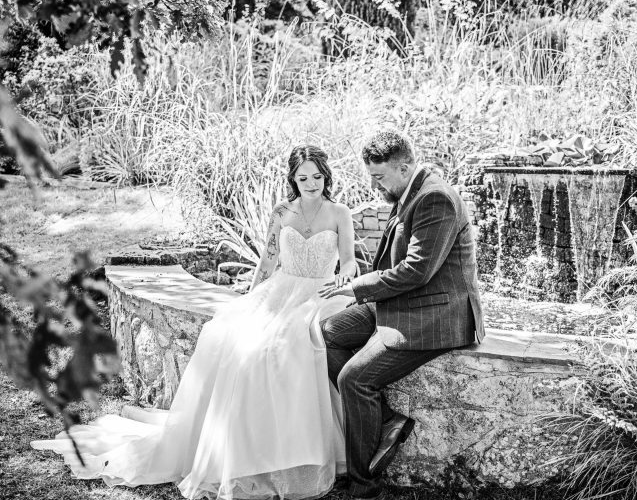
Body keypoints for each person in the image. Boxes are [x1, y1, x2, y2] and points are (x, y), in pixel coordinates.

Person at [32, 145, 358, 500]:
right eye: (303, 177)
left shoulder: (339, 212)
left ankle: (299, 453)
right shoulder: (282, 212)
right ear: (293, 179)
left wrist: (345, 277)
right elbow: (267, 262)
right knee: (241, 345)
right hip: (280, 292)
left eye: (317, 176)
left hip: (316, 296)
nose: (311, 183)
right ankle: (247, 454)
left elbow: (351, 262)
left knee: (290, 348)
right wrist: (248, 298)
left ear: (326, 175)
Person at [318, 130, 485, 499]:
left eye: (379, 177)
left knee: (353, 379)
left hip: (435, 316)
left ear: (404, 166)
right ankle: (387, 421)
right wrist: (363, 297)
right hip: (402, 302)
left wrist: (358, 287)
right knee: (327, 331)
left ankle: (364, 484)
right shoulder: (410, 189)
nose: (374, 185)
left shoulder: (435, 198)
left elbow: (417, 270)